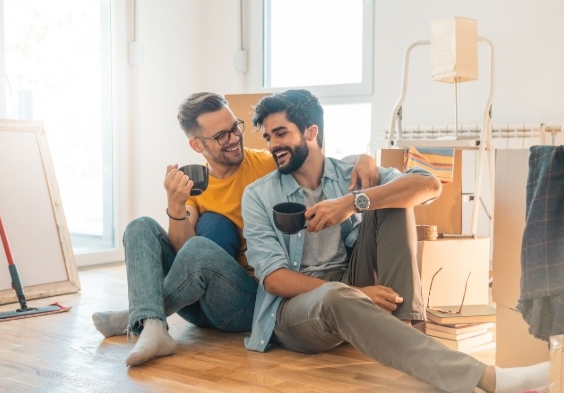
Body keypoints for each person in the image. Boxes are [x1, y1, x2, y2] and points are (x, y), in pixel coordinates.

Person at [241, 89, 550, 393]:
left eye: (280, 133)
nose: (272, 145)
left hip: (350, 280)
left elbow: (427, 184)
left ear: (311, 132)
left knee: (394, 198)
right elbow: (274, 279)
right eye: (268, 137)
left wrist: (354, 202)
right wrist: (358, 294)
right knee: (334, 296)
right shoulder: (258, 195)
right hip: (297, 311)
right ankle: (491, 379)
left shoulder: (350, 176)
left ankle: (409, 332)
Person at [92, 92, 380, 366]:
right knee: (139, 226)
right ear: (196, 145)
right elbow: (183, 256)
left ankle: (143, 316)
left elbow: (316, 160)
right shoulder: (196, 185)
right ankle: (151, 320)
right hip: (196, 298)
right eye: (220, 136)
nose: (233, 140)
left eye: (235, 128)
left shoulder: (268, 164)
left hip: (247, 299)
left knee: (202, 247)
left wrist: (364, 158)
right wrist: (176, 207)